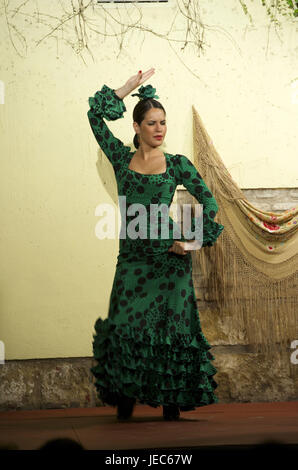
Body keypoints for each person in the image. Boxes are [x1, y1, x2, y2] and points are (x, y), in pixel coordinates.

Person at [87, 68, 224, 421]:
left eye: (163, 122)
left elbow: (210, 204)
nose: (159, 129)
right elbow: (94, 116)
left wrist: (189, 240)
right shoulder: (120, 158)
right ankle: (126, 400)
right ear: (136, 128)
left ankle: (171, 404)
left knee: (171, 330)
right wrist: (125, 88)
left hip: (169, 264)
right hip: (132, 260)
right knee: (124, 327)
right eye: (151, 123)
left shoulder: (177, 164)